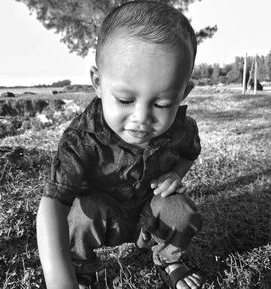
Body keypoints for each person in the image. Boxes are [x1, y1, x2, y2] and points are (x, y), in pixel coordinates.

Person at [37, 1, 203, 288]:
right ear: (98, 82)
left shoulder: (180, 128)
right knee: (79, 214)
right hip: (103, 217)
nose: (142, 118)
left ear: (183, 93)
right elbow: (52, 204)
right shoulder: (82, 138)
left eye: (162, 103)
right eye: (125, 99)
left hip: (149, 215)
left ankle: (170, 259)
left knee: (182, 210)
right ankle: (79, 270)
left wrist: (176, 174)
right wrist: (58, 280)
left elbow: (190, 152)